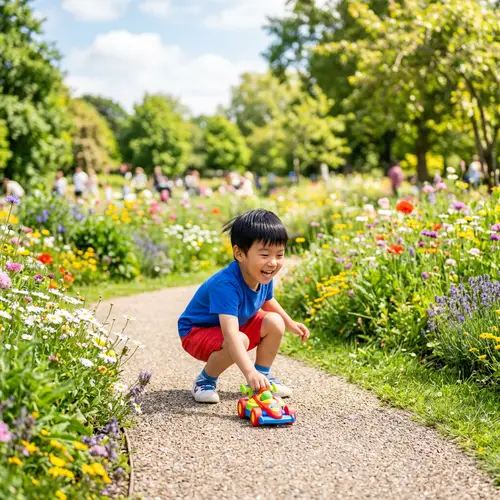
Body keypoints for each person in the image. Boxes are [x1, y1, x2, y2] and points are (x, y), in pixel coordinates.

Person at [177, 209, 310, 403]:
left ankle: (262, 378)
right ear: (239, 253)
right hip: (196, 332)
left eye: (279, 255)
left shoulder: (262, 274)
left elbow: (267, 300)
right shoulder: (226, 285)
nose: (273, 263)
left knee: (275, 321)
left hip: (230, 328)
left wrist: (290, 323)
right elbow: (231, 335)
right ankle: (205, 380)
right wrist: (248, 371)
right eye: (265, 254)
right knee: (240, 339)